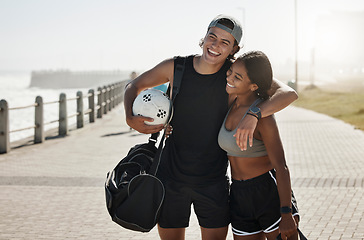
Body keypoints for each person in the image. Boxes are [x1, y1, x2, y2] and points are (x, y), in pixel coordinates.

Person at [124, 15, 298, 240]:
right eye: (212, 37)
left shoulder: (234, 74)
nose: (215, 45)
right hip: (171, 178)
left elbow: (288, 93)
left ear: (234, 49)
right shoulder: (176, 67)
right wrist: (130, 117)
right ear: (204, 37)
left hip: (213, 182)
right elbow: (134, 86)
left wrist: (254, 114)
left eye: (225, 42)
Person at [218, 51, 299, 240]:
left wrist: (286, 213)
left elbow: (281, 166)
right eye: (230, 72)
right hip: (238, 193)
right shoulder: (230, 105)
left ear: (253, 85)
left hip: (268, 193)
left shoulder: (263, 117)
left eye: (237, 77)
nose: (229, 78)